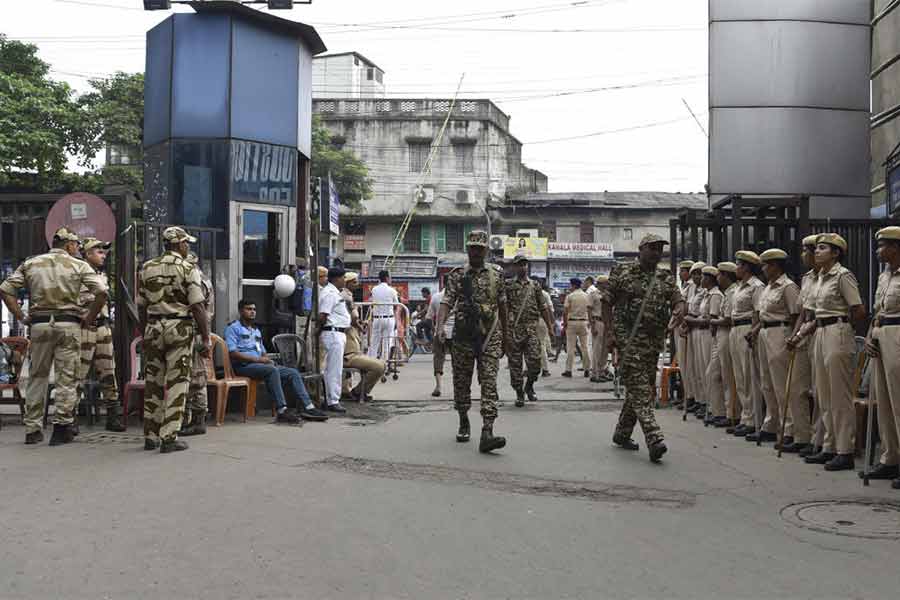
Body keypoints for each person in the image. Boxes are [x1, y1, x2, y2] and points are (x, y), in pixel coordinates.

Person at [0, 227, 108, 445]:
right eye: (76, 244)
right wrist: (88, 317)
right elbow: (102, 292)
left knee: (37, 376)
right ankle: (62, 427)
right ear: (68, 245)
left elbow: (5, 289)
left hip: (39, 325)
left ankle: (33, 429)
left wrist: (21, 316)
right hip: (69, 325)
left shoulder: (31, 264)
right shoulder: (79, 265)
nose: (78, 248)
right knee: (66, 378)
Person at [603, 234, 684, 463]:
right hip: (628, 340)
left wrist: (679, 309)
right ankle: (654, 437)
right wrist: (610, 333)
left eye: (660, 249)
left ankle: (622, 433)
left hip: (653, 342)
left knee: (641, 387)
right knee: (642, 390)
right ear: (641, 249)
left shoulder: (665, 276)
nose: (656, 253)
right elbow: (606, 303)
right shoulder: (622, 272)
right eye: (652, 248)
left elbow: (677, 298)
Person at [792, 234, 865, 471]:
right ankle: (829, 446)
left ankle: (845, 450)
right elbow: (813, 313)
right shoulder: (820, 277)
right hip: (820, 331)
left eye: (823, 248)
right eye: (817, 248)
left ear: (836, 253)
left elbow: (858, 310)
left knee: (839, 395)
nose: (817, 252)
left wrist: (844, 329)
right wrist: (802, 334)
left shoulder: (843, 275)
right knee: (823, 393)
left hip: (837, 331)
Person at [137, 226, 210, 453]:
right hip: (179, 327)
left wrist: (145, 330)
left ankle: (150, 435)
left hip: (153, 327)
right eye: (186, 243)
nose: (188, 246)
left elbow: (141, 305)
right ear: (179, 244)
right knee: (178, 383)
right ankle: (169, 436)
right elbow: (197, 305)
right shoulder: (188, 268)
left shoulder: (147, 267)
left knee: (153, 382)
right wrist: (205, 337)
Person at [436, 230, 509, 453]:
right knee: (462, 382)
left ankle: (487, 431)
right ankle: (463, 420)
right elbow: (447, 302)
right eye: (472, 247)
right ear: (467, 249)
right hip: (464, 337)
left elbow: (503, 305)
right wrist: (440, 326)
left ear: (486, 249)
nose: (476, 251)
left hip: (490, 336)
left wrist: (506, 335)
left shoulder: (497, 274)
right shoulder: (458, 275)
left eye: (480, 247)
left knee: (489, 383)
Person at [226, 300, 327, 422]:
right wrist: (258, 360)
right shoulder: (233, 328)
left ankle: (308, 407)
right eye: (248, 309)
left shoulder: (256, 331)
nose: (252, 312)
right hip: (243, 366)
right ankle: (282, 410)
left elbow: (262, 352)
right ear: (241, 311)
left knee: (292, 372)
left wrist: (267, 360)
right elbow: (233, 353)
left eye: (254, 309)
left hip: (260, 366)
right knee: (272, 370)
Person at [753, 249, 808, 449]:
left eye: (766, 265)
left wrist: (793, 338)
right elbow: (762, 315)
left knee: (783, 384)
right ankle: (773, 424)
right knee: (767, 383)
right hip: (765, 332)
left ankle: (791, 429)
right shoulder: (767, 287)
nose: (763, 269)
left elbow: (795, 316)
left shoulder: (788, 286)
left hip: (780, 333)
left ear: (776, 265)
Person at [75, 237, 124, 432]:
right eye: (98, 251)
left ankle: (113, 416)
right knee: (78, 374)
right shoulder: (77, 274)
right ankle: (70, 419)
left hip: (103, 327)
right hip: (85, 327)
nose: (103, 255)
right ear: (87, 254)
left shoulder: (100, 276)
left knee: (108, 372)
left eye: (104, 252)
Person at [863, 226, 900, 488]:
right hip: (880, 333)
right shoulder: (884, 276)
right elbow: (877, 311)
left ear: (896, 248)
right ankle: (890, 458)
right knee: (883, 400)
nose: (878, 250)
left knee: (899, 400)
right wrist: (869, 336)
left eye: (883, 245)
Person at [788, 236, 823, 457]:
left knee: (820, 390)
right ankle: (802, 435)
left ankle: (819, 439)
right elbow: (802, 312)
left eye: (806, 250)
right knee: (797, 386)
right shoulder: (807, 278)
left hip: (819, 332)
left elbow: (818, 316)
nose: (804, 255)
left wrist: (801, 332)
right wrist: (794, 335)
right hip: (803, 335)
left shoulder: (831, 277)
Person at [505, 254, 554, 407]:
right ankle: (519, 393)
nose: (523, 267)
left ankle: (529, 386)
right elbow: (503, 308)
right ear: (514, 267)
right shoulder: (508, 285)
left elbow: (543, 307)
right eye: (520, 264)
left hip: (532, 329)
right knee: (515, 366)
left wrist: (550, 327)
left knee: (535, 363)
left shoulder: (535, 285)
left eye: (525, 264)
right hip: (514, 330)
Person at [729, 251, 764, 438]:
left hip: (747, 329)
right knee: (740, 375)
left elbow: (759, 313)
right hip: (735, 329)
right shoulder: (738, 287)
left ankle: (754, 420)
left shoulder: (756, 286)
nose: (737, 268)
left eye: (739, 264)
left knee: (750, 375)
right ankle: (745, 416)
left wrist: (754, 330)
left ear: (747, 267)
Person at [179, 252, 214, 436]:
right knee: (195, 376)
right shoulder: (203, 278)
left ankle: (195, 420)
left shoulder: (197, 280)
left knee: (195, 379)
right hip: (198, 331)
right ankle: (193, 419)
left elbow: (197, 307)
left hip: (195, 332)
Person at [342, 272, 385, 402]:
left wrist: (359, 325)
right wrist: (358, 324)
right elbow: (354, 318)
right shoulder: (345, 296)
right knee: (378, 366)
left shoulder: (347, 296)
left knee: (381, 364)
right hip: (348, 354)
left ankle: (356, 391)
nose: (357, 284)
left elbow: (354, 319)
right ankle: (358, 392)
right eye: (354, 282)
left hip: (352, 349)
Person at [319, 267, 351, 413]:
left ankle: (330, 398)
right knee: (334, 369)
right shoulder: (330, 293)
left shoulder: (334, 292)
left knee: (331, 368)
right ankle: (333, 400)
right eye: (343, 278)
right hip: (333, 333)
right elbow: (323, 315)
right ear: (336, 279)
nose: (344, 280)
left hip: (337, 333)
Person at [713, 262, 739, 428]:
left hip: (728, 332)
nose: (718, 278)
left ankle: (733, 414)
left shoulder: (732, 292)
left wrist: (712, 320)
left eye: (720, 274)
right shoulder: (727, 292)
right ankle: (727, 412)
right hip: (723, 333)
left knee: (730, 376)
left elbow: (727, 318)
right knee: (721, 374)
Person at [700, 266, 725, 425]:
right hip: (705, 332)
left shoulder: (716, 295)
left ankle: (719, 411)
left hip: (712, 335)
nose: (701, 279)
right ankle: (712, 407)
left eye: (703, 276)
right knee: (705, 372)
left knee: (713, 373)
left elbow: (712, 318)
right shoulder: (706, 294)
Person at [681, 262, 707, 415]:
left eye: (699, 273)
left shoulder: (707, 291)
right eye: (694, 273)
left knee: (704, 369)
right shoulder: (692, 288)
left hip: (700, 328)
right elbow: (686, 307)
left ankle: (705, 401)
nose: (697, 276)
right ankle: (697, 399)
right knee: (693, 368)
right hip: (691, 328)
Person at [672, 260, 695, 409]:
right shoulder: (684, 286)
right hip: (678, 325)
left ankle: (690, 396)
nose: (680, 273)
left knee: (688, 364)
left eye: (682, 270)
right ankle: (687, 395)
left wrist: (678, 321)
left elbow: (686, 307)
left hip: (684, 326)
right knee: (683, 363)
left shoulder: (691, 286)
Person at [429, 278, 454, 397]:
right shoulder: (460, 297)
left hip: (439, 333)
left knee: (438, 359)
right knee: (458, 361)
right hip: (456, 333)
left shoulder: (436, 297)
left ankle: (438, 386)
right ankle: (458, 387)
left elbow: (430, 316)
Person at [563, 278, 591, 377]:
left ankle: (568, 370)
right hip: (584, 322)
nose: (570, 287)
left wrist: (565, 324)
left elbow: (565, 311)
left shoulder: (570, 296)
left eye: (570, 285)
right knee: (585, 347)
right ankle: (587, 369)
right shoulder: (586, 296)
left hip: (572, 322)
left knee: (570, 347)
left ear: (574, 285)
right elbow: (589, 310)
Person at [369, 270, 398, 359]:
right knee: (387, 343)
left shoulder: (374, 289)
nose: (391, 279)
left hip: (377, 319)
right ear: (386, 278)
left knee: (374, 343)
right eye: (390, 277)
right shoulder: (392, 290)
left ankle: (371, 363)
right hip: (389, 318)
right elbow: (396, 305)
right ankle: (383, 364)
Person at [536, 283, 554, 377]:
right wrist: (551, 324)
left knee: (526, 345)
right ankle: (545, 369)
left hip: (527, 321)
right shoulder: (545, 294)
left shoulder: (525, 291)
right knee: (542, 345)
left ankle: (527, 369)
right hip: (541, 320)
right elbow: (549, 309)